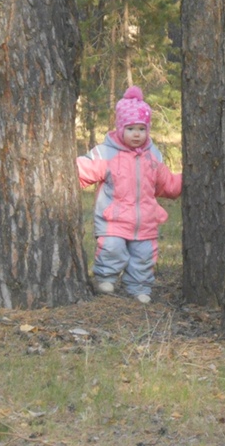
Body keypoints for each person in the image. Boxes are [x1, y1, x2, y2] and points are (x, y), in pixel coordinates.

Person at [77, 86, 182, 304]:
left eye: (142, 129)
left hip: (144, 220)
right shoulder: (107, 152)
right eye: (131, 128)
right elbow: (85, 169)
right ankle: (106, 278)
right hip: (113, 219)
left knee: (144, 255)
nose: (137, 134)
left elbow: (165, 183)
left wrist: (184, 180)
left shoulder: (152, 156)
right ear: (120, 128)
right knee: (111, 248)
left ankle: (139, 287)